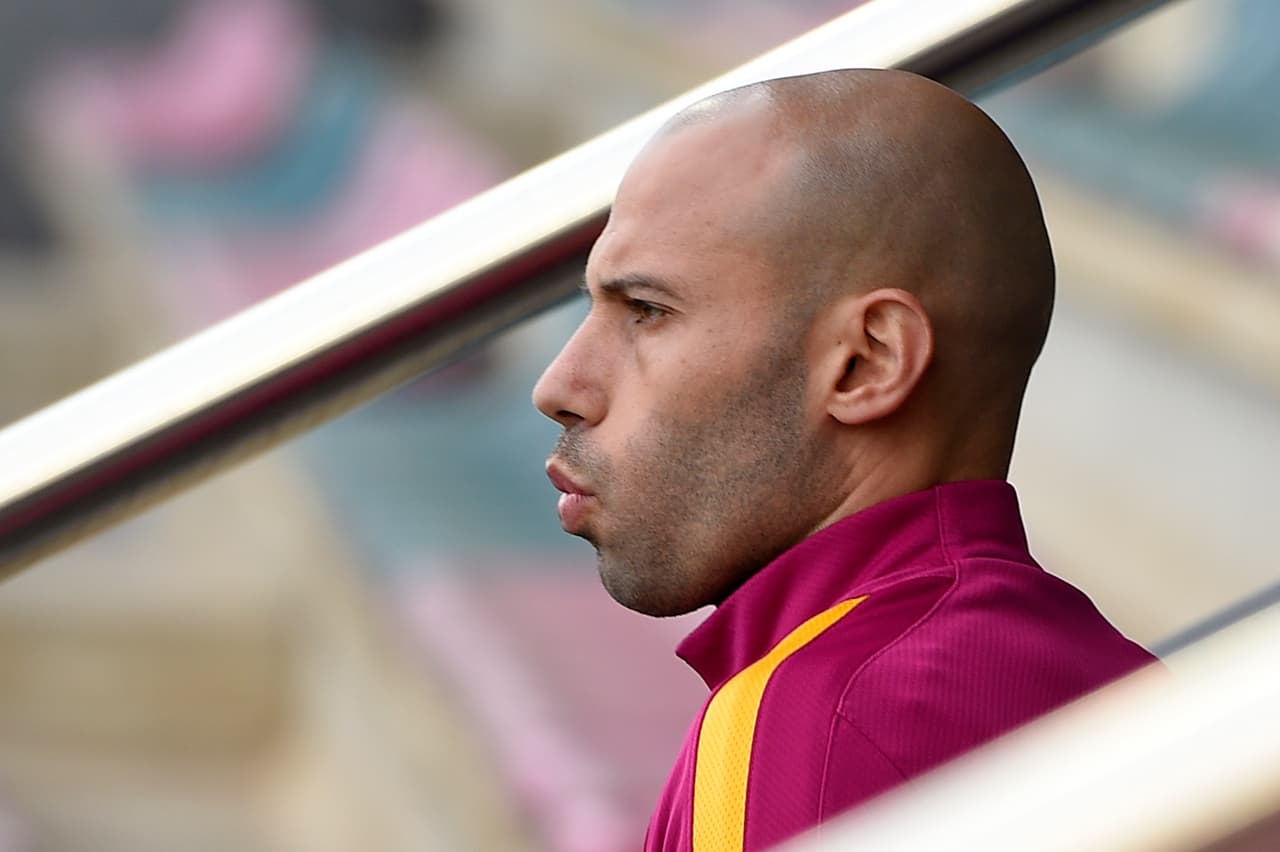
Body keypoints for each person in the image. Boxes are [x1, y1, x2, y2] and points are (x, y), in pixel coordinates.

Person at [531, 68, 1156, 851]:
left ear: (867, 362)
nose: (558, 386)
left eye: (648, 311)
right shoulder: (1134, 697)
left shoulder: (816, 730)